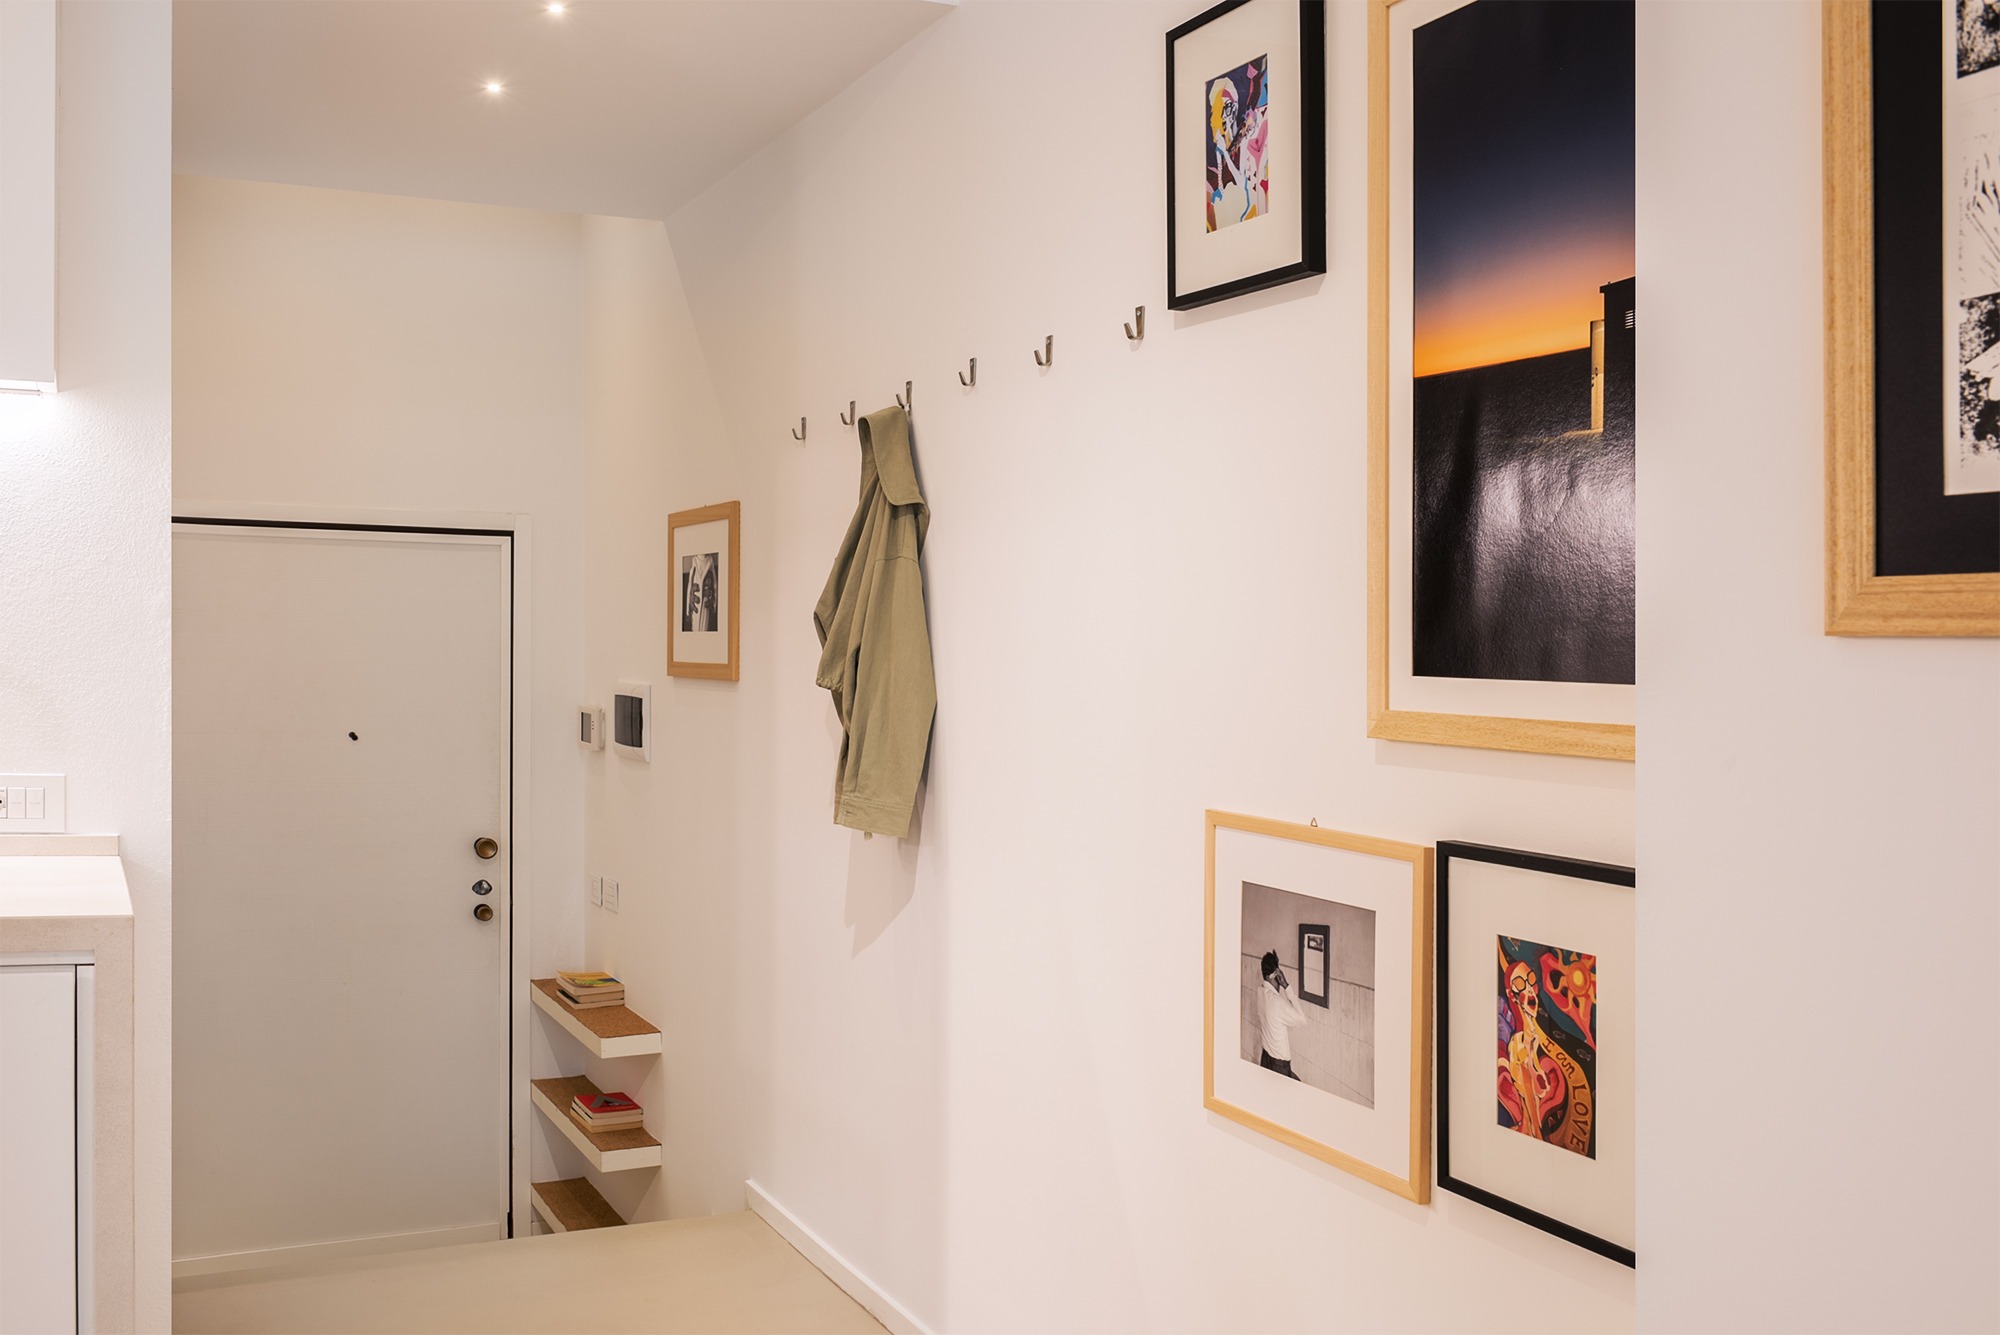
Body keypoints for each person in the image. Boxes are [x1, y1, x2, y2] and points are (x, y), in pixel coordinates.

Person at [1257, 950, 1305, 1079]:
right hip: (1279, 1065)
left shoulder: (1260, 992)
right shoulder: (1277, 1002)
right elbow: (1302, 1020)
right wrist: (1286, 986)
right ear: (1275, 974)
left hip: (1265, 1058)